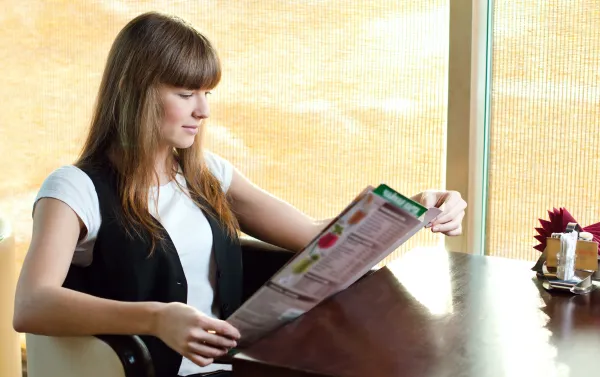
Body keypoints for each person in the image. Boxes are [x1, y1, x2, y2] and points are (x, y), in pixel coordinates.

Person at [13, 11, 467, 377]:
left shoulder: (207, 174)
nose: (204, 110)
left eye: (206, 92)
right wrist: (156, 318)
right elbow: (32, 303)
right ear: (136, 94)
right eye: (187, 92)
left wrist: (411, 208)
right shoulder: (75, 188)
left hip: (241, 367)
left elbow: (313, 235)